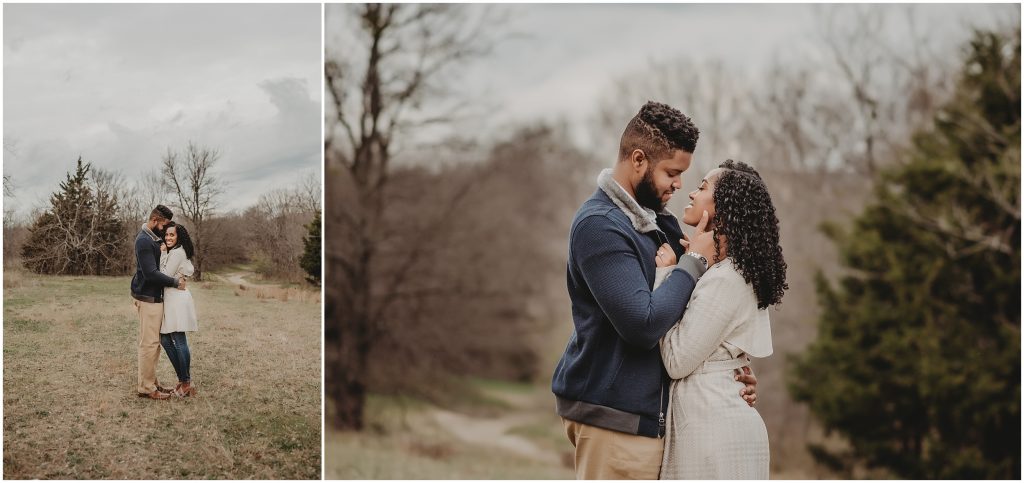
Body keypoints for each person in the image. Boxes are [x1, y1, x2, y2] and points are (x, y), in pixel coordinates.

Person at [551, 102, 758, 479]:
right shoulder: (601, 226)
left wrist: (728, 372)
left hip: (647, 417)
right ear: (639, 160)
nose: (678, 185)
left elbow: (688, 314)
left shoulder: (657, 222)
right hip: (616, 419)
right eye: (672, 173)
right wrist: (692, 261)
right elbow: (643, 325)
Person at [655, 160, 787, 479]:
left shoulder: (728, 279)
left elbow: (676, 360)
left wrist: (666, 276)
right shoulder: (724, 273)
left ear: (724, 211)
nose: (691, 193)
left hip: (713, 432)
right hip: (712, 421)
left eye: (702, 188)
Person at [131, 205, 186, 400]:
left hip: (154, 298)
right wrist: (174, 282)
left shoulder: (152, 239)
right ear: (155, 220)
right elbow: (151, 274)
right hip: (148, 299)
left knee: (154, 344)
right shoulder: (144, 241)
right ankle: (146, 388)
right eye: (163, 225)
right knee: (149, 344)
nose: (164, 230)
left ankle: (151, 382)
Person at [159, 222, 199, 397]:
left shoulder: (176, 252)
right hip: (171, 298)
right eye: (166, 235)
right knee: (166, 340)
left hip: (177, 299)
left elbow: (164, 275)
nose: (168, 238)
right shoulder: (175, 252)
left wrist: (161, 254)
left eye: (171, 235)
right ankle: (183, 379)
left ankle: (186, 382)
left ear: (178, 237)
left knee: (178, 340)